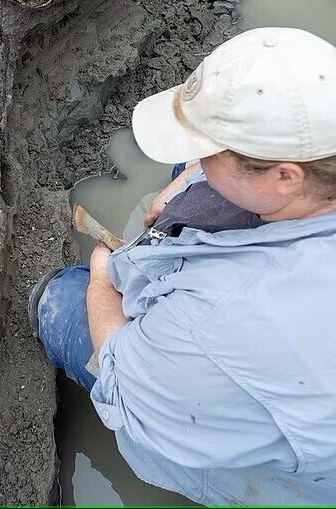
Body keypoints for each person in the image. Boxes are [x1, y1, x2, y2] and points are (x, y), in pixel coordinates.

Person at [31, 27, 336, 506]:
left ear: (285, 175)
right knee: (188, 179)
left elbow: (122, 377)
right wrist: (197, 175)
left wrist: (101, 280)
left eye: (213, 152)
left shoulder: (216, 321)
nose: (199, 160)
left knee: (59, 299)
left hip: (284, 474)